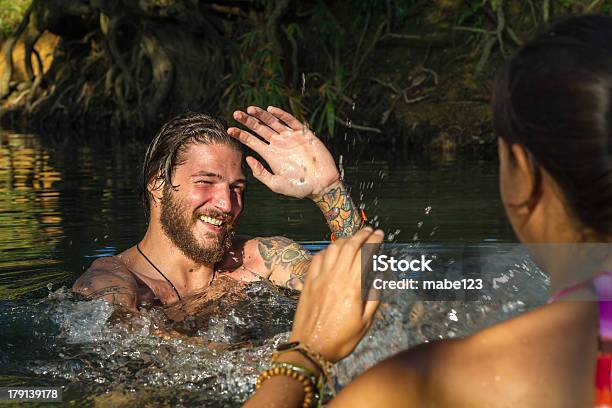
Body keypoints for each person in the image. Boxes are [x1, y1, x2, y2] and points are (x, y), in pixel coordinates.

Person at [245, 15, 612, 407]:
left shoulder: (427, 385)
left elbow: (370, 297)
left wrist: (303, 354)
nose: (224, 201)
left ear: (524, 173)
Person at [72, 106, 364, 316]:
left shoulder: (262, 259)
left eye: (236, 188)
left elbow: (360, 290)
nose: (226, 204)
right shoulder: (115, 282)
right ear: (157, 183)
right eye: (205, 182)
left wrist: (328, 190)